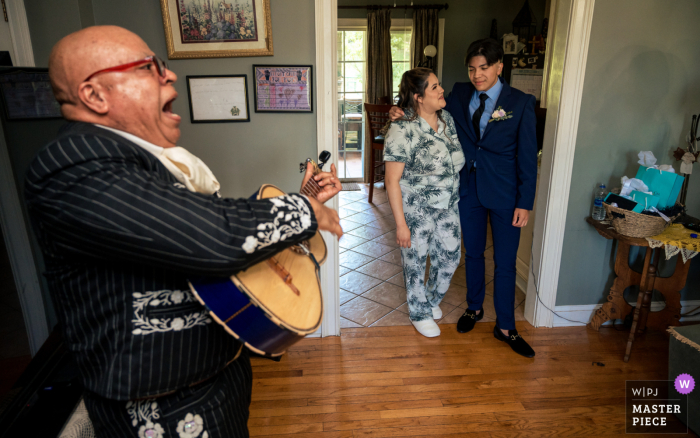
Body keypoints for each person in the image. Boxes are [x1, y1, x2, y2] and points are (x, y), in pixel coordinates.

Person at [24, 25, 342, 438]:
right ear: (94, 95)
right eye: (149, 67)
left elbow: (201, 233)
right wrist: (303, 211)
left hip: (216, 378)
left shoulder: (143, 164)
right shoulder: (70, 164)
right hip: (161, 409)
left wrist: (305, 200)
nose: (169, 75)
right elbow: (209, 236)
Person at [390, 38, 537, 357]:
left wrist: (525, 202)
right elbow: (420, 105)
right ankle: (474, 308)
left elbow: (527, 157)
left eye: (484, 68)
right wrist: (399, 111)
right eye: (472, 68)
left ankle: (507, 326)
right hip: (466, 192)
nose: (477, 74)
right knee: (470, 255)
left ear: (499, 66)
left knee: (505, 262)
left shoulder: (522, 103)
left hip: (505, 195)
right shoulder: (456, 94)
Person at [383, 68, 465, 338]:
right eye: (434, 87)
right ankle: (418, 311)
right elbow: (392, 180)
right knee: (416, 262)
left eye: (439, 84)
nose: (442, 90)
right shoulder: (402, 127)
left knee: (450, 258)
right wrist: (400, 225)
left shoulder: (448, 120)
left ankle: (429, 300)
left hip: (449, 205)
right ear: (418, 97)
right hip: (416, 208)